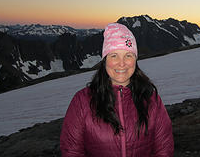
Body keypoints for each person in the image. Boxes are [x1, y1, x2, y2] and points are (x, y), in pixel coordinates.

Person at [60, 23, 174, 157]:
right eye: (114, 55)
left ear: (135, 60)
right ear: (105, 60)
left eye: (128, 55)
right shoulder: (82, 101)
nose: (122, 63)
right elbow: (72, 151)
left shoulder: (151, 98)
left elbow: (164, 148)